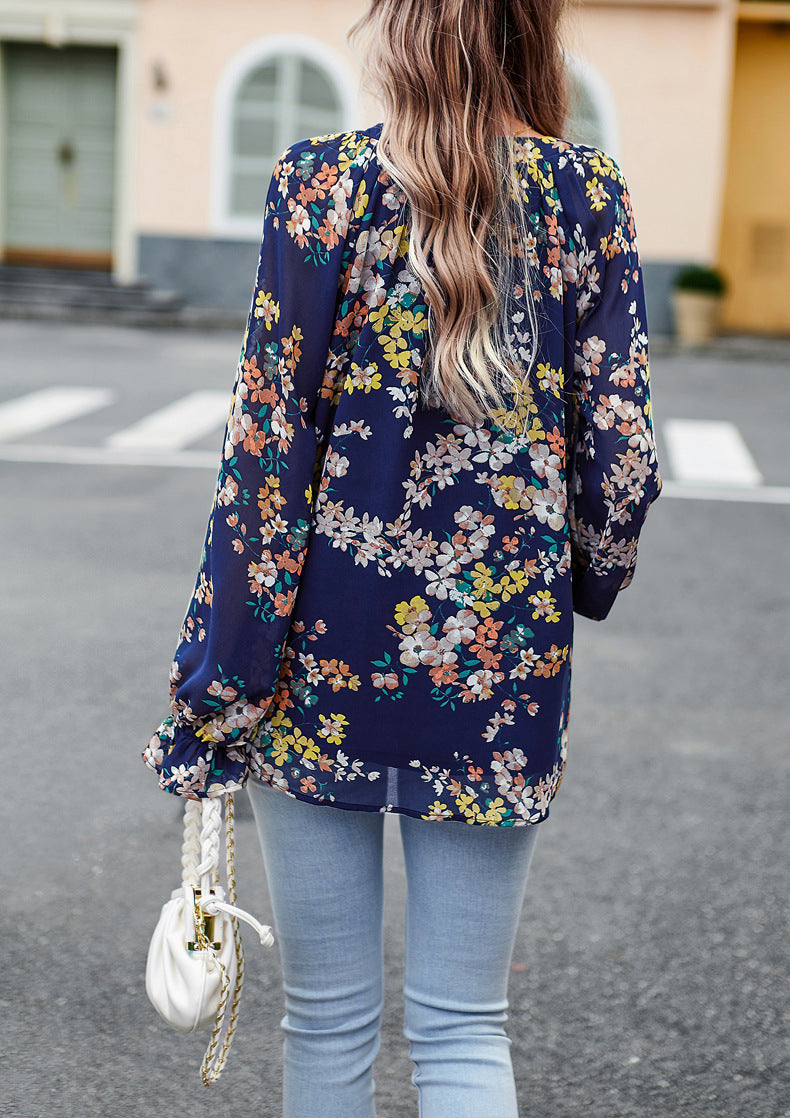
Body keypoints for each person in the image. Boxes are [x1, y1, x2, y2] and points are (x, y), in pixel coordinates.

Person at [143, 1, 662, 1114]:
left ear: (401, 32)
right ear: (533, 30)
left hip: (318, 669)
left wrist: (214, 691)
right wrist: (576, 584)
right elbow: (620, 465)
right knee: (464, 1024)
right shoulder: (589, 198)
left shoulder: (316, 186)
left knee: (325, 1020)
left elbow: (263, 462)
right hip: (498, 666)